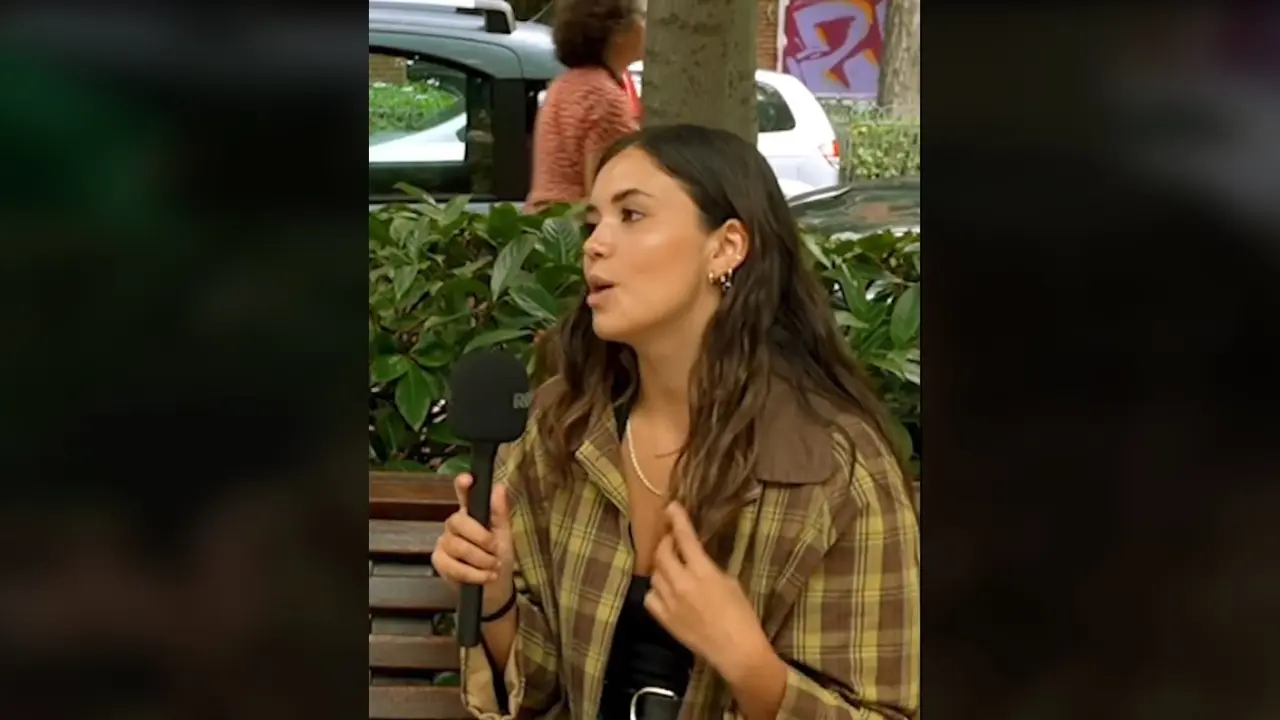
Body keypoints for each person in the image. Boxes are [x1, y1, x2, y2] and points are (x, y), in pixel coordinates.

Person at [432, 124, 920, 720]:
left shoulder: (836, 471)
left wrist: (751, 666)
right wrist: (495, 595)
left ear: (726, 247)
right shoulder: (564, 427)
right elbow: (540, 695)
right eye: (593, 223)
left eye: (631, 215)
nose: (594, 244)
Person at [525, 0, 646, 211]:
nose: (647, 25)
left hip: (545, 221)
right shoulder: (603, 98)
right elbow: (611, 195)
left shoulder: (565, 83)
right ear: (617, 31)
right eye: (642, 16)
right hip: (575, 223)